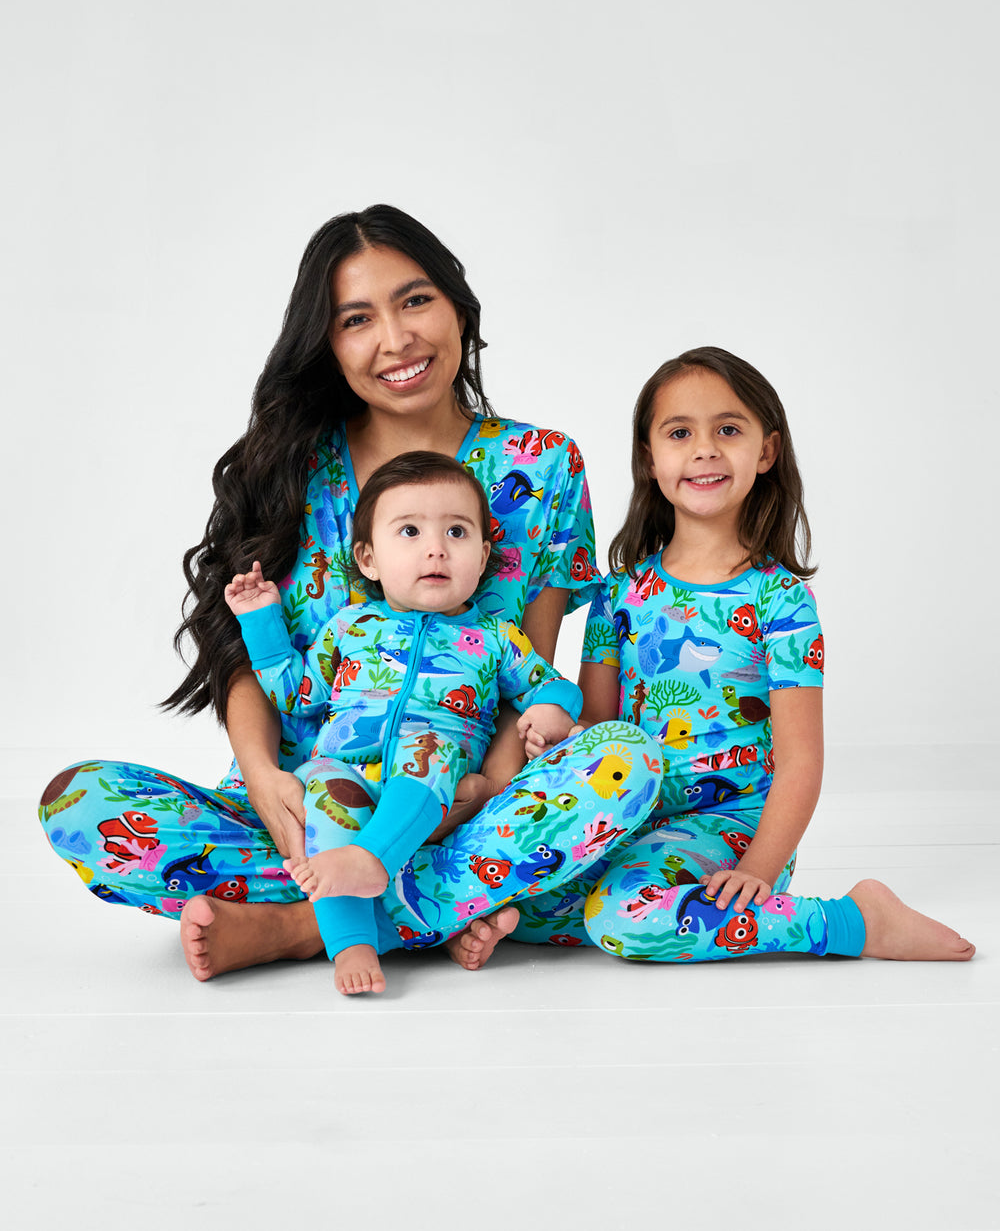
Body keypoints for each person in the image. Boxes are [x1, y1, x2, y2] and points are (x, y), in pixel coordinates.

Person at [38, 204, 661, 984]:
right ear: (327, 344)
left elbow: (528, 665)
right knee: (81, 805)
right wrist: (263, 778)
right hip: (305, 806)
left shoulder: (542, 464)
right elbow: (248, 655)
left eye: (415, 300)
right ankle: (439, 904)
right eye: (356, 318)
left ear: (458, 308)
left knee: (625, 762)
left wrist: (481, 795)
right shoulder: (291, 464)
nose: (395, 340)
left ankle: (300, 927)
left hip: (456, 799)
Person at [455, 346, 975, 968]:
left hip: (731, 823)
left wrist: (759, 866)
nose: (705, 449)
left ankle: (851, 920)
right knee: (508, 889)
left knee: (624, 919)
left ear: (766, 451)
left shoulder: (780, 600)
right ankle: (540, 915)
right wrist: (556, 739)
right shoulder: (618, 596)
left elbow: (801, 758)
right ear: (650, 459)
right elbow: (599, 727)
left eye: (728, 430)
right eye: (680, 433)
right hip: (631, 814)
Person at [225, 452, 582, 993]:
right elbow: (296, 695)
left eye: (457, 532)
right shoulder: (351, 625)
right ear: (367, 558)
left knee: (430, 754)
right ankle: (355, 947)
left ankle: (371, 863)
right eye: (410, 531)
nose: (436, 548)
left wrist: (553, 708)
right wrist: (261, 621)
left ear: (484, 556)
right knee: (322, 797)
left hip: (434, 779)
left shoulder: (495, 637)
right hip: (344, 769)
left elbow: (548, 682)